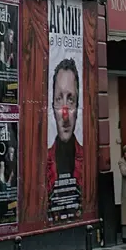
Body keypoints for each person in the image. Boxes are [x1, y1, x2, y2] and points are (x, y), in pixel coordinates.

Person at [46, 58, 83, 197]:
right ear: (52, 106)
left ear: (78, 105)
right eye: (59, 99)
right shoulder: (45, 159)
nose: (65, 115)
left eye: (71, 99)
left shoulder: (86, 159)